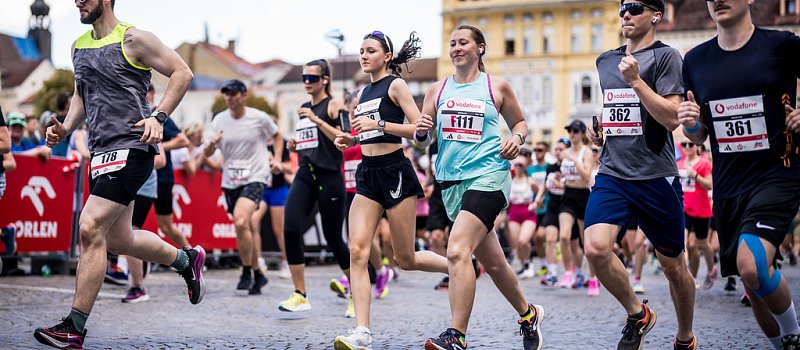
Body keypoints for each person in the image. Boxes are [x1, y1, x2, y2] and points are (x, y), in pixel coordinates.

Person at [35, 0, 203, 347]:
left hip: (134, 147)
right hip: (100, 153)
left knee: (90, 226)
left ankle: (74, 327)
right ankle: (186, 260)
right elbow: (82, 94)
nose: (77, 1)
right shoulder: (78, 46)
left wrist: (158, 117)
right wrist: (65, 128)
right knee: (119, 240)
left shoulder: (134, 39)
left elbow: (182, 72)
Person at [679, 0, 800, 347]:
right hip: (729, 185)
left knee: (752, 265)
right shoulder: (696, 60)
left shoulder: (782, 45)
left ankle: (793, 337)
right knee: (754, 287)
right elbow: (700, 134)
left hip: (779, 173)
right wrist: (690, 125)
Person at [418, 25, 543, 350]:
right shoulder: (437, 90)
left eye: (464, 43)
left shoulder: (495, 87)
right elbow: (422, 137)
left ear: (480, 48)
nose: (457, 48)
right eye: (453, 43)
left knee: (457, 250)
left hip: (489, 177)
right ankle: (528, 315)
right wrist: (419, 133)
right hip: (451, 184)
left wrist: (516, 138)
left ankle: (456, 335)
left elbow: (520, 123)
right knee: (496, 263)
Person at [585, 0, 696, 349]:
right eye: (621, 9)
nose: (626, 15)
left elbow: (672, 118)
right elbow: (616, 108)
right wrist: (603, 129)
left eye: (634, 7)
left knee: (673, 266)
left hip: (655, 175)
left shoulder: (666, 58)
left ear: (655, 15)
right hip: (614, 172)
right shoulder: (605, 61)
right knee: (596, 248)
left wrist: (636, 82)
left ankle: (685, 337)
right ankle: (638, 313)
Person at [332, 31, 449, 349]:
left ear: (386, 56)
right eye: (361, 50)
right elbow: (365, 134)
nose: (364, 55)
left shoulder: (395, 85)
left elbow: (421, 131)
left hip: (395, 171)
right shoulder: (362, 93)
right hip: (367, 174)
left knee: (405, 258)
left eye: (371, 50)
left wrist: (380, 125)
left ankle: (460, 265)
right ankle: (362, 332)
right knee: (357, 250)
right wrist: (351, 139)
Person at [277, 59, 353, 313]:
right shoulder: (304, 107)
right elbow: (311, 141)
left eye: (312, 78)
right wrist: (295, 145)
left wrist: (317, 121)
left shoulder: (334, 104)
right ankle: (300, 293)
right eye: (304, 78)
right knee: (290, 227)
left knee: (334, 238)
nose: (307, 83)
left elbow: (345, 138)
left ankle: (356, 292)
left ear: (325, 80)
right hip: (305, 173)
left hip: (330, 177)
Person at [205, 79, 283, 295]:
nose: (229, 97)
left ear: (244, 95)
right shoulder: (219, 120)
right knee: (243, 226)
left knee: (241, 220)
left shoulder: (259, 118)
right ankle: (258, 273)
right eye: (226, 94)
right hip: (230, 180)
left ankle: (247, 270)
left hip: (256, 176)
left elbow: (277, 136)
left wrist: (276, 159)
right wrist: (211, 144)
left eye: (233, 93)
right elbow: (207, 154)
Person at [150, 84, 192, 254]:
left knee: (165, 226)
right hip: (140, 178)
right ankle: (125, 266)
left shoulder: (159, 116)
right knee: (129, 224)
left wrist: (158, 147)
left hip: (161, 177)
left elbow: (183, 140)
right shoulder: (133, 113)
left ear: (151, 93)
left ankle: (192, 254)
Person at [121, 144, 166, 303]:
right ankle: (132, 265)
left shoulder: (149, 123)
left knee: (130, 231)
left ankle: (138, 286)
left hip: (143, 187)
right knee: (116, 232)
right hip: (123, 184)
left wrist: (131, 162)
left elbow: (161, 160)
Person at [558, 120, 593, 293]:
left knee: (586, 243)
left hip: (583, 196)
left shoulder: (586, 152)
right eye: (569, 130)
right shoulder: (564, 152)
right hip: (567, 194)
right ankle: (568, 271)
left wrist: (574, 159)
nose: (572, 134)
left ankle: (593, 277)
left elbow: (586, 177)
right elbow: (562, 173)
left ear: (581, 134)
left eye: (575, 131)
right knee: (564, 236)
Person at [251, 138, 292, 279]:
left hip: (278, 189)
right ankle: (259, 260)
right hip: (262, 188)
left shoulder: (282, 143)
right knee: (253, 221)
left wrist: (276, 163)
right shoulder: (257, 142)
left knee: (278, 228)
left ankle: (287, 261)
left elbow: (290, 167)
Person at [678, 140, 715, 289]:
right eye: (684, 144)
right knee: (685, 242)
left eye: (690, 144)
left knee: (702, 244)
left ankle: (711, 270)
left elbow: (709, 184)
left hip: (701, 210)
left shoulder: (704, 163)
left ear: (697, 146)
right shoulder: (679, 164)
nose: (687, 147)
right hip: (684, 209)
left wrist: (695, 175)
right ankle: (687, 275)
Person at [507, 152, 538, 280]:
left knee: (523, 240)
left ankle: (529, 264)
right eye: (516, 165)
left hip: (528, 213)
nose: (518, 167)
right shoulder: (510, 180)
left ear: (525, 166)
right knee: (517, 244)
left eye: (520, 164)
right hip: (514, 212)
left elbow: (541, 191)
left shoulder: (530, 181)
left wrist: (536, 203)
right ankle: (524, 265)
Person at [526, 142, 551, 277]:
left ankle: (552, 255)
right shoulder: (529, 169)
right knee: (536, 239)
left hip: (547, 206)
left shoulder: (549, 167)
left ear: (546, 151)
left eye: (540, 149)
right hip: (533, 207)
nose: (537, 152)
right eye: (535, 150)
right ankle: (544, 264)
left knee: (540, 235)